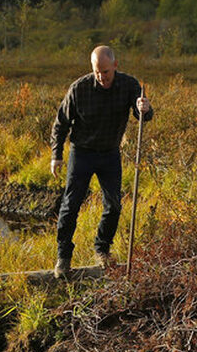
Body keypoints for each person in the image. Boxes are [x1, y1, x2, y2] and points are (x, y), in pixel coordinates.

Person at [50, 45, 153, 277]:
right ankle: (63, 257)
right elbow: (60, 124)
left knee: (114, 205)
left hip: (109, 153)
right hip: (82, 152)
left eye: (105, 72)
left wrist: (144, 108)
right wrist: (56, 156)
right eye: (97, 72)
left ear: (115, 65)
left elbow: (143, 114)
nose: (101, 77)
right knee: (70, 205)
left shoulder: (129, 85)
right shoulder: (79, 88)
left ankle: (102, 249)